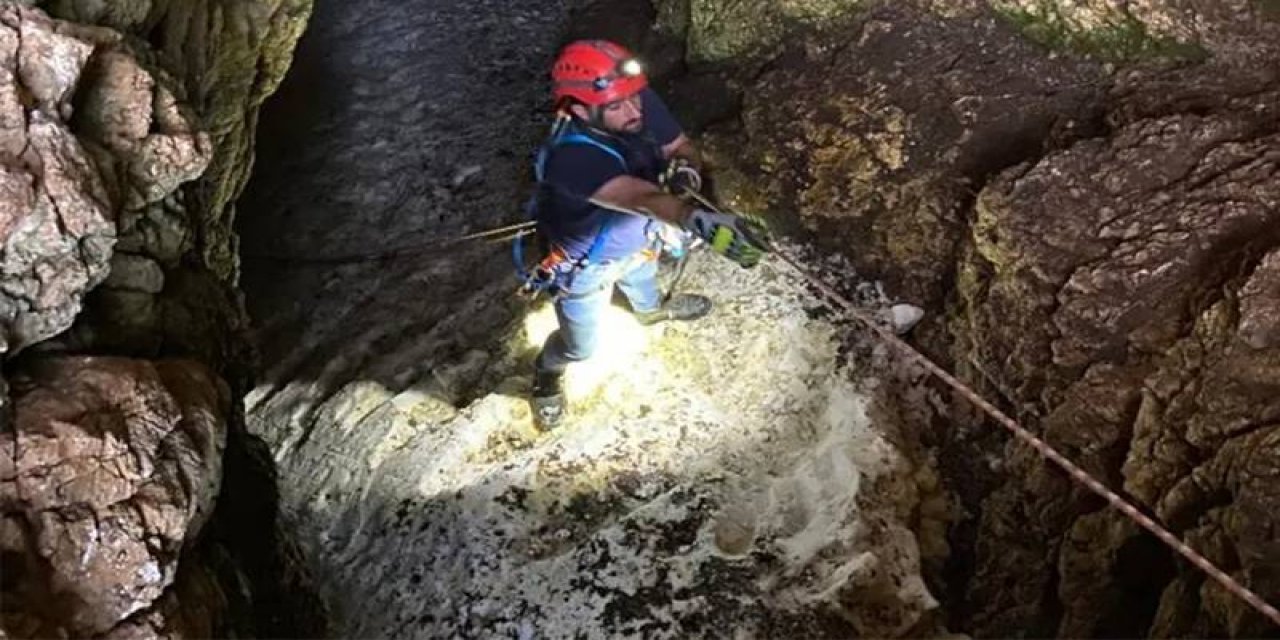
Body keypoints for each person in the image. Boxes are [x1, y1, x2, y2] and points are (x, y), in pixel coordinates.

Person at [526, 39, 769, 430]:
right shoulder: (569, 157)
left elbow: (680, 146)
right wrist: (693, 216)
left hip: (641, 243)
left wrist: (687, 172)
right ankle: (547, 373)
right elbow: (639, 198)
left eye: (634, 99)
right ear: (578, 108)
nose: (634, 112)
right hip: (588, 266)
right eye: (617, 107)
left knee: (646, 286)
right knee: (581, 347)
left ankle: (650, 312)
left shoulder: (631, 98)